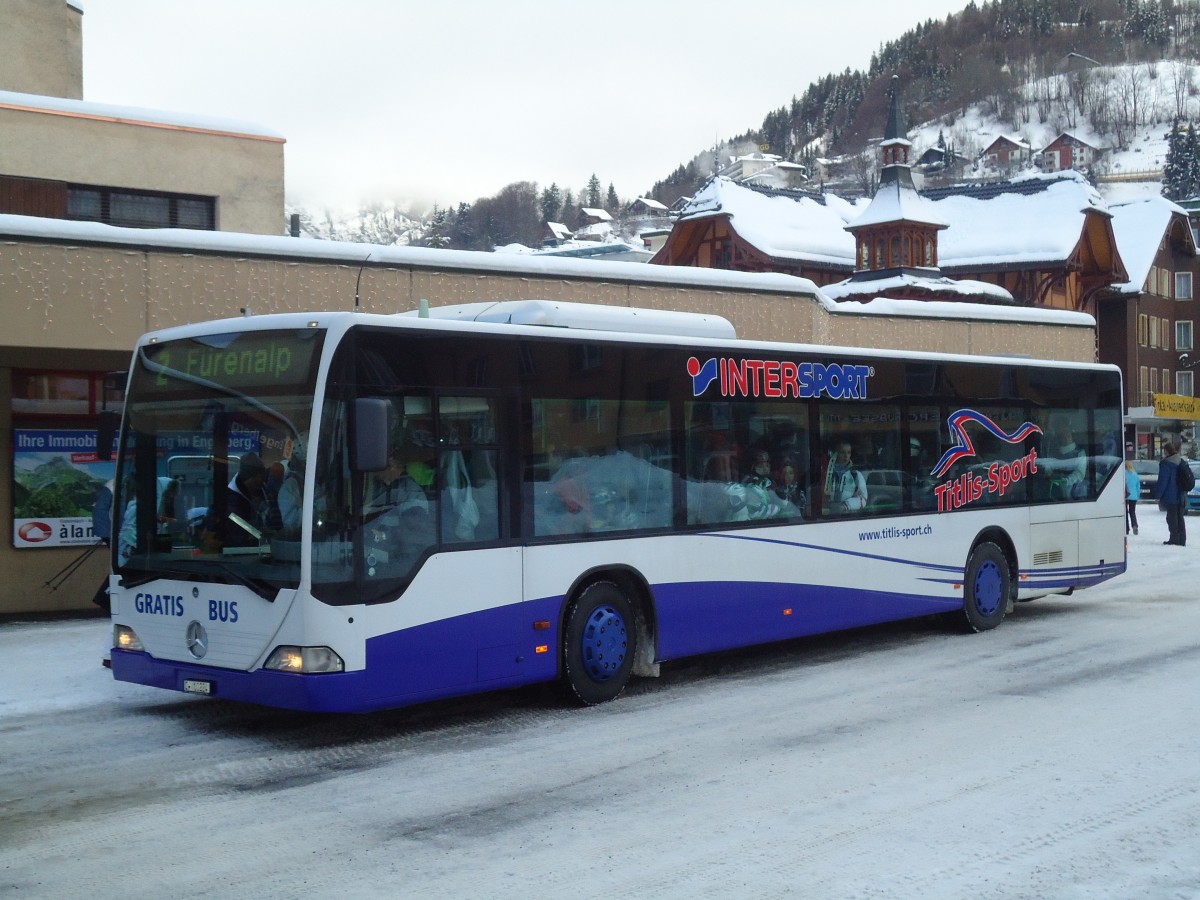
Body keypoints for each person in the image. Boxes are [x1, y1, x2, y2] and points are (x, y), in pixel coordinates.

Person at [220, 453, 268, 547]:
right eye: (261, 479)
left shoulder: (261, 490)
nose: (262, 483)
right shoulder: (233, 502)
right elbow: (240, 536)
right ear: (257, 477)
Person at [1154, 441, 1187, 546]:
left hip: (1170, 495)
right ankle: (1182, 539)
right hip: (1181, 495)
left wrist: (1158, 495)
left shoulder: (1166, 464)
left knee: (1171, 518)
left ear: (1166, 451)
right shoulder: (1181, 461)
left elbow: (1163, 481)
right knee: (1180, 517)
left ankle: (1174, 539)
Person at [822, 441, 868, 514]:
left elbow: (863, 499)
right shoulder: (826, 473)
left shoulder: (856, 475)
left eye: (849, 452)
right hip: (826, 518)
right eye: (842, 452)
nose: (846, 455)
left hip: (848, 518)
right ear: (835, 454)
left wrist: (846, 506)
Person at [1124, 460, 1140, 536]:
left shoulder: (1123, 473)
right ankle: (1135, 525)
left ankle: (1126, 528)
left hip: (1126, 495)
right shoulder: (1135, 474)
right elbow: (1138, 486)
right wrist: (1138, 495)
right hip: (1134, 496)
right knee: (1132, 512)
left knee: (1125, 512)